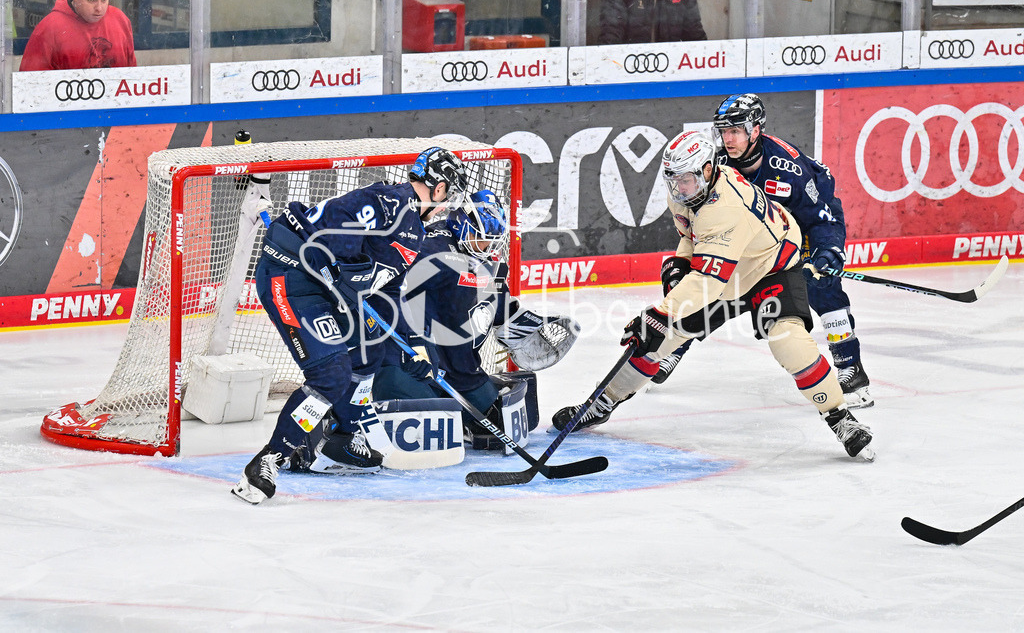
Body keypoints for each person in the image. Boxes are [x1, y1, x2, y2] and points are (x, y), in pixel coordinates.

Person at [551, 131, 875, 461]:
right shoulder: (687, 193)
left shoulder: (726, 206)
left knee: (788, 341)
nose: (679, 188)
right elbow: (695, 235)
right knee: (658, 340)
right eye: (673, 180)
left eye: (687, 180)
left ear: (708, 170)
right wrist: (681, 261)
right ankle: (603, 403)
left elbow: (708, 282)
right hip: (728, 270)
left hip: (770, 268)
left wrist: (660, 313)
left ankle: (841, 418)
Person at [231, 147, 470, 505]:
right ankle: (269, 460)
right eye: (448, 193)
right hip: (291, 278)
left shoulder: (414, 232)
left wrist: (409, 347)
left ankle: (343, 437)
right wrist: (339, 269)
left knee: (370, 348)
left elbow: (386, 293)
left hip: (326, 290)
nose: (447, 202)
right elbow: (329, 233)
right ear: (437, 188)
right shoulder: (389, 201)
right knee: (331, 376)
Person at [653, 94, 873, 409]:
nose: (727, 139)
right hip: (754, 238)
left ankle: (850, 367)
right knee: (714, 283)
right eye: (723, 131)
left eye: (736, 131)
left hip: (798, 230)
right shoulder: (714, 164)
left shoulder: (789, 169)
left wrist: (828, 250)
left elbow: (821, 217)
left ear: (756, 130)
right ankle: (675, 347)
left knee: (822, 285)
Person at [371, 189, 579, 449]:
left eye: (492, 240)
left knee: (495, 427)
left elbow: (498, 303)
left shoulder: (486, 257)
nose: (487, 246)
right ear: (461, 223)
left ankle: (460, 409)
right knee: (429, 424)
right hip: (416, 366)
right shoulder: (430, 250)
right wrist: (411, 346)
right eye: (480, 238)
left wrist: (521, 322)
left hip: (461, 370)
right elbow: (386, 294)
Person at [19, 0, 136, 72]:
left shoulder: (120, 20)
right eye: (91, 0)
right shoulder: (49, 27)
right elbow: (30, 85)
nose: (99, 8)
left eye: (104, 0)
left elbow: (132, 75)